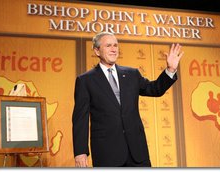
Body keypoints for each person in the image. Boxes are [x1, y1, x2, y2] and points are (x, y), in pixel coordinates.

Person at [72, 32, 184, 167]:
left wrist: (170, 69)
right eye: (108, 46)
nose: (113, 49)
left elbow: (155, 89)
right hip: (107, 154)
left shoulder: (132, 74)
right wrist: (80, 151)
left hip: (137, 152)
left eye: (115, 45)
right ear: (97, 51)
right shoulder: (85, 80)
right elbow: (80, 119)